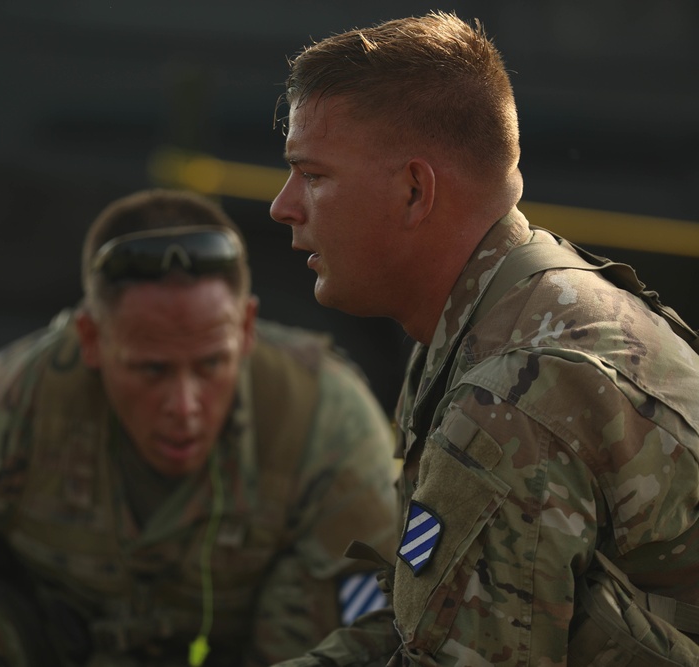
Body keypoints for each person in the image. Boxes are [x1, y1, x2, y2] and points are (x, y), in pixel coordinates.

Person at [0, 188, 401, 667]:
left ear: (245, 329)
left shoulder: (327, 423)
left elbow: (381, 633)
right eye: (151, 370)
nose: (183, 404)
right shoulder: (2, 412)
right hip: (59, 644)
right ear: (92, 339)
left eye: (210, 366)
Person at [269, 11, 699, 667]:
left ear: (416, 190)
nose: (283, 205)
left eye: (314, 175)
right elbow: (421, 615)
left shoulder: (514, 395)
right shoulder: (506, 307)